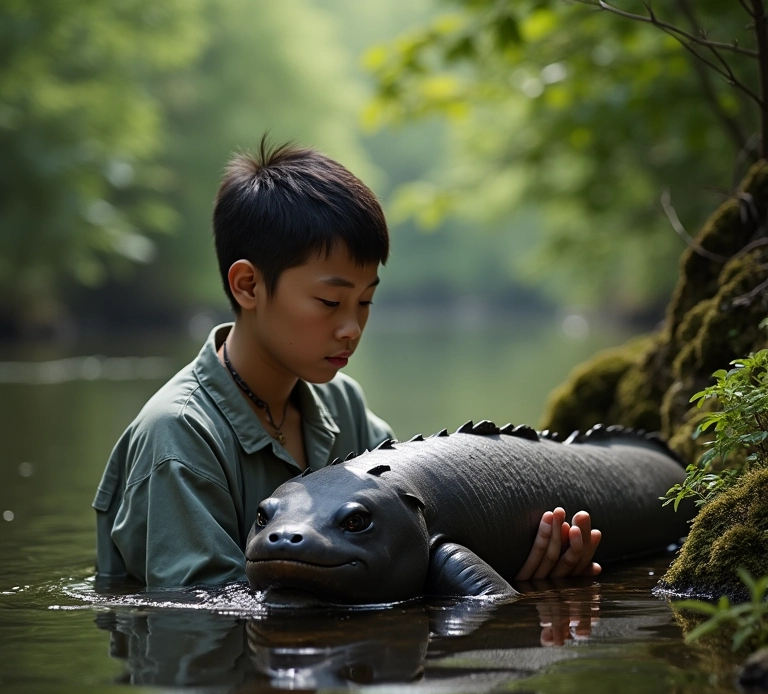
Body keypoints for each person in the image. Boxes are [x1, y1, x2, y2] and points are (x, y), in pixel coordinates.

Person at [93, 139, 601, 587]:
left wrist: (522, 566)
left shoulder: (343, 406)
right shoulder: (178, 437)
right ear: (248, 286)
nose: (352, 328)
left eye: (365, 302)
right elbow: (205, 618)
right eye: (330, 302)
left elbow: (406, 541)